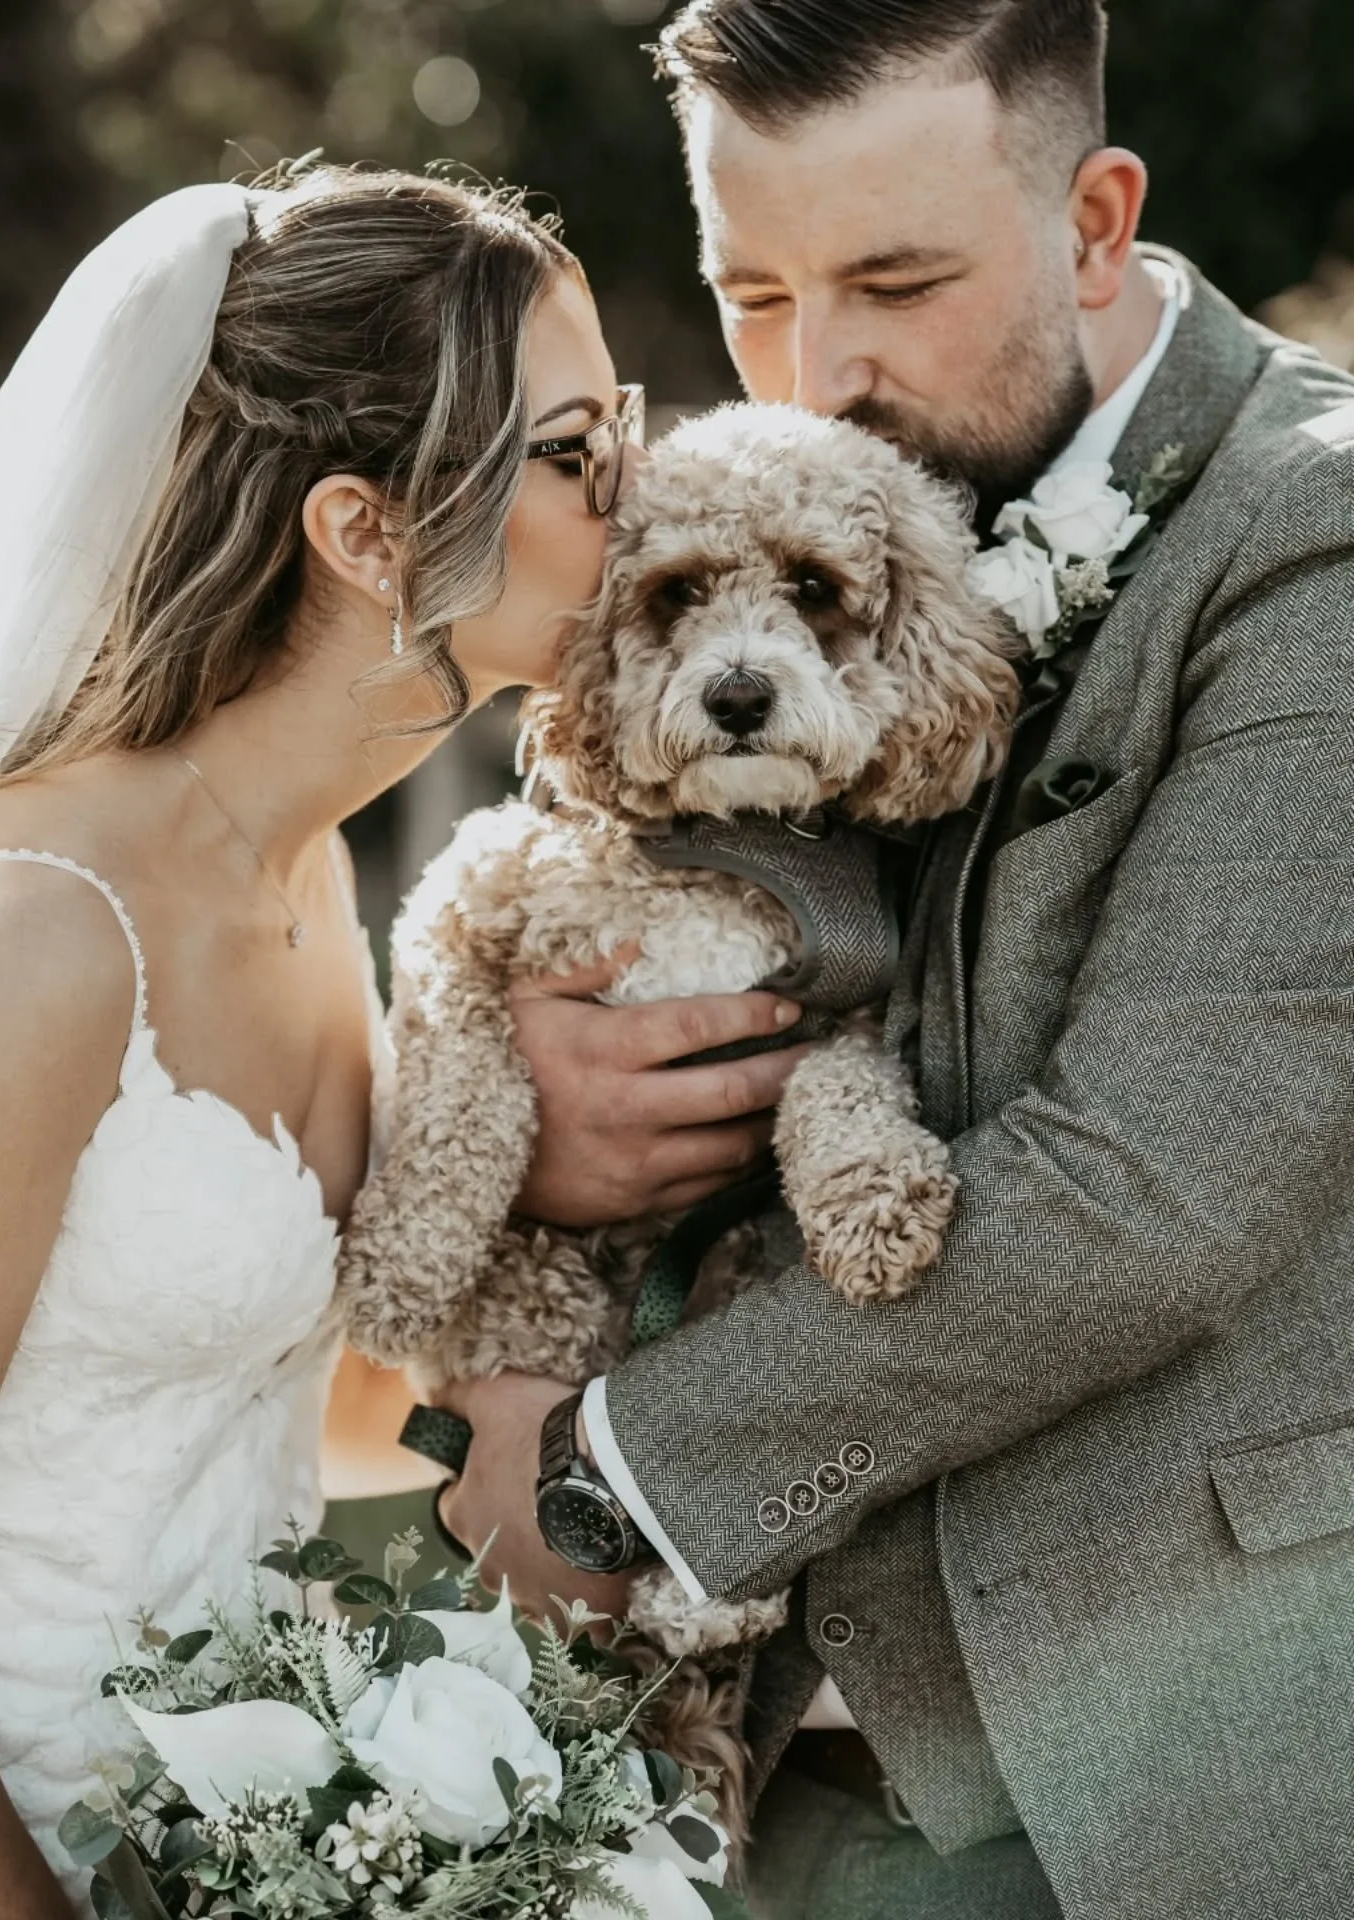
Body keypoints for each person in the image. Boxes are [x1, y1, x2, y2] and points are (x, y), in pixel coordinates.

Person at [436, 4, 1354, 1917]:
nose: (816, 376)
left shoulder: (1317, 535)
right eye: (752, 293)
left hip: (1177, 1787)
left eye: (898, 283)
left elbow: (1161, 1186)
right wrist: (566, 1128)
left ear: (1095, 223)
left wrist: (612, 1472)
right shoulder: (744, 519)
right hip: (756, 1792)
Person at [0, 163, 742, 1915]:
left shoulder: (309, 878)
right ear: (368, 534)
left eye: (627, 431)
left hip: (225, 1845)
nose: (641, 499)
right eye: (577, 453)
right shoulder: (41, 930)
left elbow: (277, 1391)